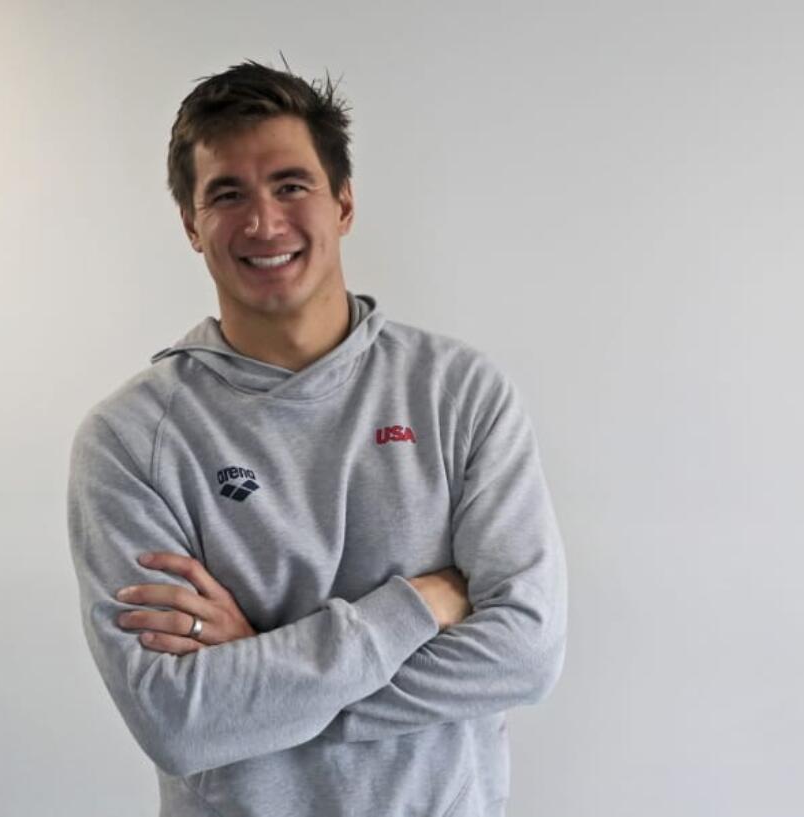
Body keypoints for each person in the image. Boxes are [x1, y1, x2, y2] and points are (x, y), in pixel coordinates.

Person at [66, 58, 568, 817]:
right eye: (227, 194)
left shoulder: (458, 391)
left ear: (344, 204)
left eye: (290, 185)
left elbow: (525, 652)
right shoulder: (133, 440)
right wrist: (416, 607)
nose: (263, 221)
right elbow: (179, 720)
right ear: (191, 225)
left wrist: (258, 681)